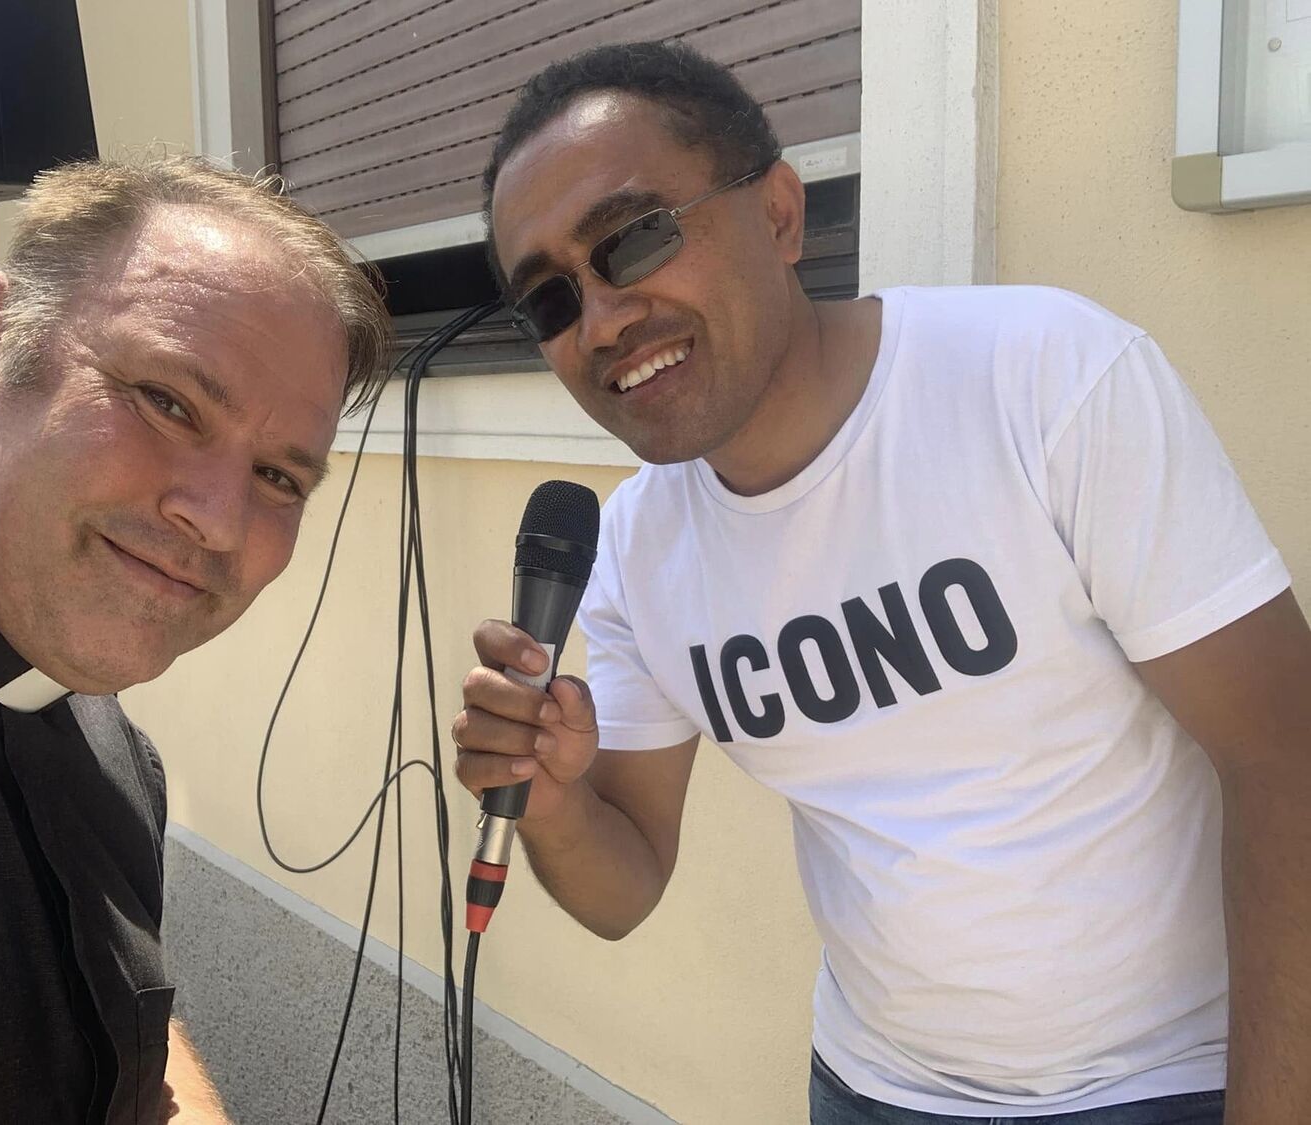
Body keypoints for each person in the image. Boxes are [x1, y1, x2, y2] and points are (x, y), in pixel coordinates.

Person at [452, 41, 1311, 1124]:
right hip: (872, 1088)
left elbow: (1285, 756)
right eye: (549, 301)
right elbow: (624, 887)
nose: (603, 321)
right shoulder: (636, 549)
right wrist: (550, 799)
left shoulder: (1044, 378)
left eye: (635, 238)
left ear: (778, 214)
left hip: (1167, 1083)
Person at [0, 156, 390, 1123]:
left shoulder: (115, 754)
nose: (218, 519)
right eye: (167, 402)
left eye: (279, 478)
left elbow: (131, 1051)